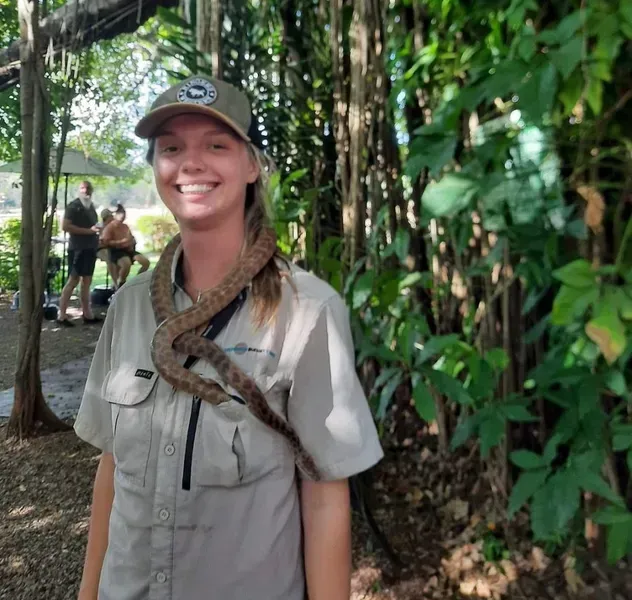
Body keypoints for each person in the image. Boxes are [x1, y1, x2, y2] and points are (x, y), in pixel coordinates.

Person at [73, 74, 384, 600]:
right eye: (171, 148)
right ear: (155, 169)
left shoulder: (306, 311)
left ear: (252, 166)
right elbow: (113, 465)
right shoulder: (128, 306)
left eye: (216, 145)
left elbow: (325, 490)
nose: (191, 163)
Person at [57, 180, 102, 326]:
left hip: (90, 248)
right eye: (83, 188)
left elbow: (93, 225)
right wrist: (88, 231)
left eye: (89, 188)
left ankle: (87, 314)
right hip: (77, 248)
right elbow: (65, 226)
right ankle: (62, 316)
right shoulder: (73, 206)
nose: (86, 191)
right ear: (79, 190)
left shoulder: (91, 206)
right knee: (73, 280)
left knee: (87, 281)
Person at [99, 203, 150, 288]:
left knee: (145, 262)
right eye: (121, 214)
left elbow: (131, 237)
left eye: (124, 214)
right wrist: (120, 242)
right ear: (115, 215)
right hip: (117, 250)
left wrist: (132, 241)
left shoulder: (125, 226)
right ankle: (121, 282)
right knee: (126, 264)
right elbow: (105, 242)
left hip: (128, 249)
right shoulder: (110, 227)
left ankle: (136, 281)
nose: (123, 216)